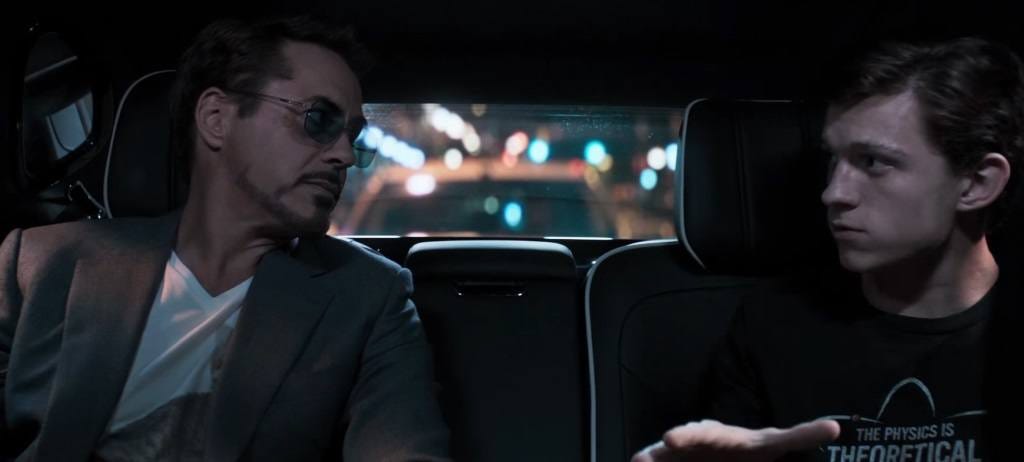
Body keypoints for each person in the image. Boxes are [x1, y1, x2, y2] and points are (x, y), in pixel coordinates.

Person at [0, 16, 450, 461]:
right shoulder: (37, 262)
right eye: (319, 120)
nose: (345, 155)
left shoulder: (369, 296)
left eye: (353, 136)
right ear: (216, 118)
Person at [634, 37, 1024, 462]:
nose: (833, 193)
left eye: (873, 162)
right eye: (833, 161)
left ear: (977, 184)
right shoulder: (773, 327)